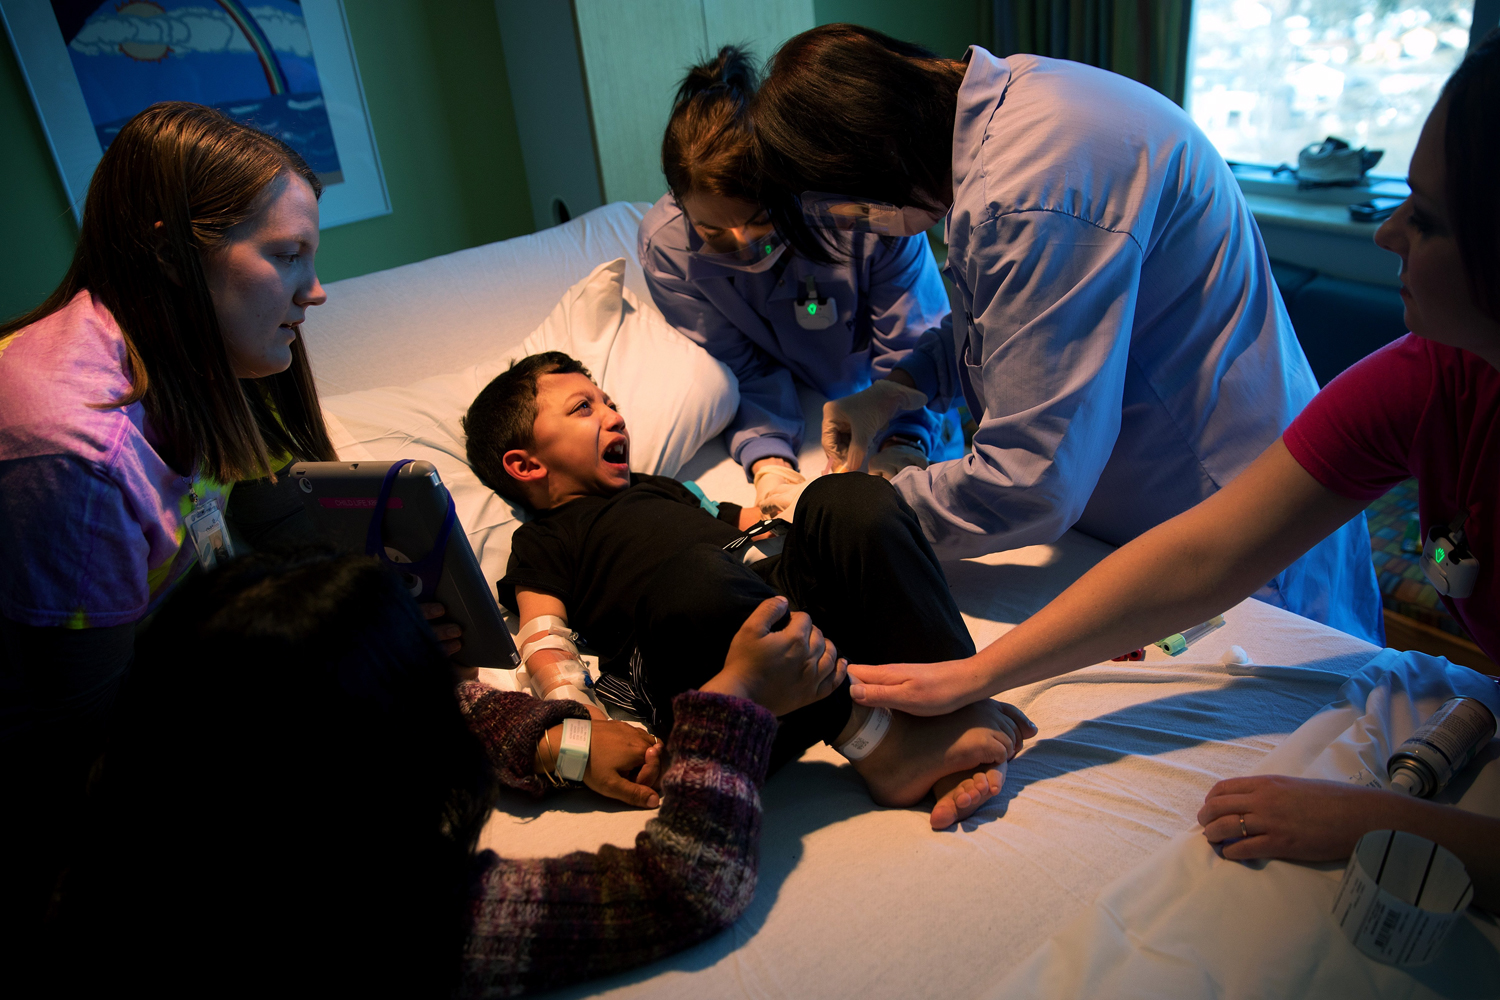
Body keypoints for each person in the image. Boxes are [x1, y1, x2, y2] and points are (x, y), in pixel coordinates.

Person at [842, 32, 1500, 908]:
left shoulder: (1045, 172)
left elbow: (1035, 478)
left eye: (1427, 218)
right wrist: (978, 674)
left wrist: (1381, 823)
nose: (1387, 233)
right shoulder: (1430, 375)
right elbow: (1205, 554)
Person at [748, 24, 1383, 645]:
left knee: (1307, 687)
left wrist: (850, 512)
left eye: (849, 212)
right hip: (1167, 498)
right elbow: (1006, 324)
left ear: (874, 155)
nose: (862, 228)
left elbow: (1029, 481)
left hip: (1231, 516)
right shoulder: (1014, 108)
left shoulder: (1029, 192)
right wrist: (901, 385)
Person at [53, 548, 851, 994]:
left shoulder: (145, 808)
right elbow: (685, 887)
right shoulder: (375, 924)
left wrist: (560, 742)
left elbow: (455, 704)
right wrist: (732, 700)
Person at [0, 102, 388, 953]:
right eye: (286, 256)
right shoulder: (75, 451)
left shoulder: (200, 357)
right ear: (172, 256)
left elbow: (281, 526)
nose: (315, 291)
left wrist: (388, 606)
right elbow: (84, 747)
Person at [463, 352, 1035, 829]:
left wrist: (825, 502)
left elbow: (764, 521)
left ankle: (950, 702)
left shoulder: (661, 488)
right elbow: (544, 639)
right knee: (696, 575)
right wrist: (587, 726)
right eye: (583, 408)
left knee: (849, 501)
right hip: (716, 662)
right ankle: (880, 743)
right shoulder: (542, 540)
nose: (614, 415)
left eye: (609, 401)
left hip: (792, 609)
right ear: (525, 466)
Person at [638, 46, 956, 517]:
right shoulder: (668, 250)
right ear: (681, 206)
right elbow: (740, 369)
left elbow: (914, 342)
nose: (743, 244)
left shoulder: (862, 216)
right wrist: (769, 460)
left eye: (760, 219)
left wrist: (901, 440)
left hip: (895, 399)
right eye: (713, 231)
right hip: (791, 408)